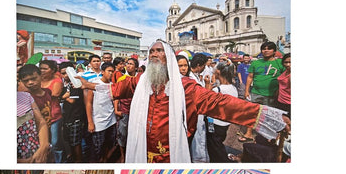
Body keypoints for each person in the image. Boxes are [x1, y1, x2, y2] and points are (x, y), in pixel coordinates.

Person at [77, 40, 288, 163]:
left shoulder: (185, 86)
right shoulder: (141, 81)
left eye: (159, 51)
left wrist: (263, 115)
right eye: (151, 51)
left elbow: (221, 103)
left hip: (171, 149)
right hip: (141, 145)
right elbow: (115, 88)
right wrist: (86, 85)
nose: (154, 54)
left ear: (168, 57)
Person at [239, 42, 285, 143]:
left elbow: (284, 77)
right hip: (256, 92)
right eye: (264, 48)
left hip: (272, 95)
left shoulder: (280, 63)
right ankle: (249, 133)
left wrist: (279, 90)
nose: (266, 50)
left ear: (274, 51)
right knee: (252, 113)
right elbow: (250, 77)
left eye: (269, 48)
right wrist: (247, 90)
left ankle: (267, 137)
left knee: (269, 116)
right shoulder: (256, 63)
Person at [205, 60, 238, 162]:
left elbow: (206, 103)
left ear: (218, 72)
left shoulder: (218, 90)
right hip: (225, 122)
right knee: (219, 141)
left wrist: (207, 88)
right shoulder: (233, 88)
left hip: (215, 123)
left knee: (215, 145)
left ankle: (222, 160)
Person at [85, 62, 117, 162]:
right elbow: (88, 103)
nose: (111, 73)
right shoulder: (95, 84)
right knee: (97, 148)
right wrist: (90, 122)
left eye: (112, 71)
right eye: (109, 71)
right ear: (102, 72)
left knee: (109, 145)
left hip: (111, 121)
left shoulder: (113, 85)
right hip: (98, 122)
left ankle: (105, 161)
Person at [59, 62, 86, 163]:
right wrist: (65, 95)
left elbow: (72, 100)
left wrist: (62, 97)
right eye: (63, 73)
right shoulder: (63, 84)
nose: (66, 75)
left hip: (76, 117)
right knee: (69, 140)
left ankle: (78, 161)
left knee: (76, 143)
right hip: (67, 117)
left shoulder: (75, 84)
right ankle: (73, 158)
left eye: (67, 73)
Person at [114, 57, 140, 162]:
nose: (128, 65)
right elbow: (116, 96)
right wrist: (116, 110)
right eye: (127, 64)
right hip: (124, 111)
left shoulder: (139, 80)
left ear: (136, 67)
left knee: (134, 135)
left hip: (136, 112)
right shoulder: (121, 79)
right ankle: (122, 155)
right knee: (122, 135)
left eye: (131, 64)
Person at [40, 59, 65, 162]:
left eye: (45, 69)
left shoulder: (57, 81)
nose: (42, 71)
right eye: (40, 68)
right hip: (40, 117)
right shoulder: (37, 80)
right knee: (42, 142)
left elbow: (54, 94)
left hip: (54, 116)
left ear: (53, 70)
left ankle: (59, 162)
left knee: (55, 142)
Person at [17, 91, 49, 163]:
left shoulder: (26, 96)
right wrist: (25, 162)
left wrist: (43, 146)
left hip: (36, 156)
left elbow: (40, 121)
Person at [276, 53, 291, 119]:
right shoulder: (286, 71)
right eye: (286, 62)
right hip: (281, 101)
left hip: (289, 103)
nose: (288, 64)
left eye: (290, 62)